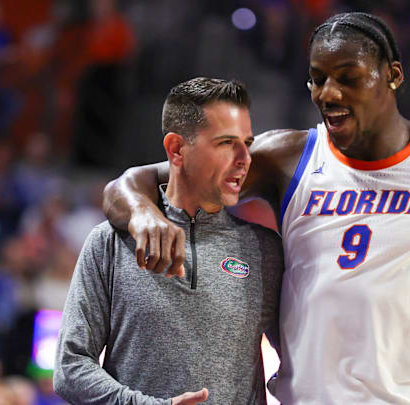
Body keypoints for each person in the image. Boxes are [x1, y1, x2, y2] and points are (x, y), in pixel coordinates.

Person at [102, 12, 410, 405]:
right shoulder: (287, 157)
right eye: (317, 78)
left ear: (393, 76)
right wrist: (143, 213)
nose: (328, 92)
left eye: (348, 77)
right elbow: (131, 183)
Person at [54, 77, 283, 404]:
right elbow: (70, 366)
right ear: (176, 149)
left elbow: (298, 360)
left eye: (247, 142)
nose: (245, 158)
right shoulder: (109, 242)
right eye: (226, 143)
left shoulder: (265, 250)